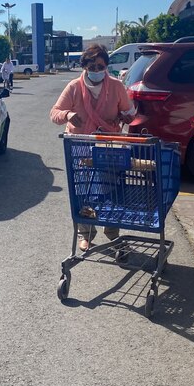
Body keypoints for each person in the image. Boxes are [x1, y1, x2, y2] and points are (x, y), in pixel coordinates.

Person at [50, 44, 136, 251]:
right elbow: (54, 113)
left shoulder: (116, 86)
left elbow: (130, 112)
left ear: (106, 66)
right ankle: (85, 233)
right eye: (92, 66)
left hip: (109, 145)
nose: (97, 71)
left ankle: (112, 232)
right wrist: (68, 115)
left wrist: (125, 116)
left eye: (101, 66)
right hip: (80, 145)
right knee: (83, 191)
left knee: (111, 191)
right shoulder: (73, 87)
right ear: (85, 66)